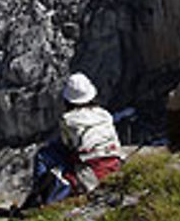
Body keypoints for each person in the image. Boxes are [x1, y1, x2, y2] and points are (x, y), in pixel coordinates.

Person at [22, 72, 124, 208]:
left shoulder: (68, 120)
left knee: (44, 155)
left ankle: (37, 198)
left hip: (89, 173)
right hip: (114, 166)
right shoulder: (105, 114)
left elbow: (68, 147)